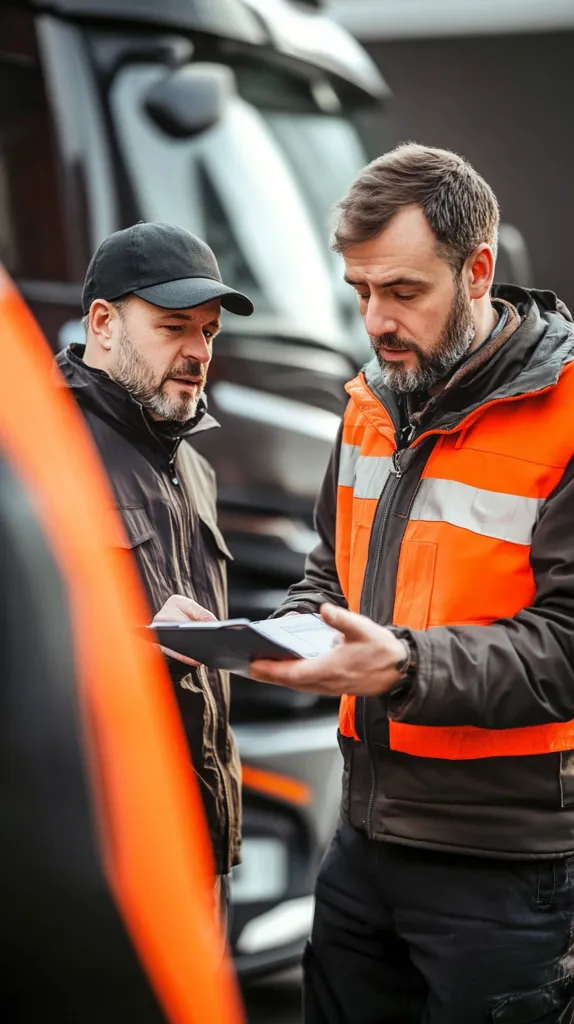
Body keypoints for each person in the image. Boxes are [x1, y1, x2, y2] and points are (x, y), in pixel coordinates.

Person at [250, 144, 574, 1021]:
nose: (376, 321)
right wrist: (282, 635)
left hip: (504, 874)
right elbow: (330, 562)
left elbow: (567, 645)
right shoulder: (372, 397)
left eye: (402, 291)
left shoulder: (568, 415)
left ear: (478, 271)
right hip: (361, 846)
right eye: (360, 292)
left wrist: (401, 664)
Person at [56, 221, 254, 902]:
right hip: (93, 875)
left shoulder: (193, 466)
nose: (199, 351)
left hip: (199, 860)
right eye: (174, 326)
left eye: (208, 331)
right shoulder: (37, 455)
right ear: (104, 324)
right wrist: (135, 645)